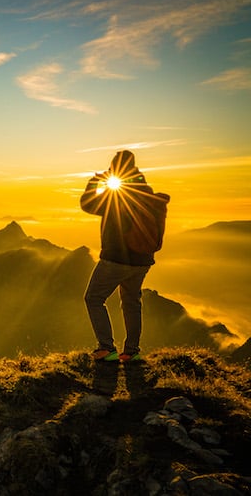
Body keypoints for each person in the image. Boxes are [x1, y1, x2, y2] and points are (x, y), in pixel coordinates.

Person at [80, 150, 167, 363]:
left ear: (115, 169)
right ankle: (131, 352)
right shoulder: (147, 193)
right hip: (142, 260)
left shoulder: (117, 194)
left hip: (116, 259)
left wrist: (95, 182)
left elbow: (88, 204)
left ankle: (106, 348)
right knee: (131, 302)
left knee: (93, 298)